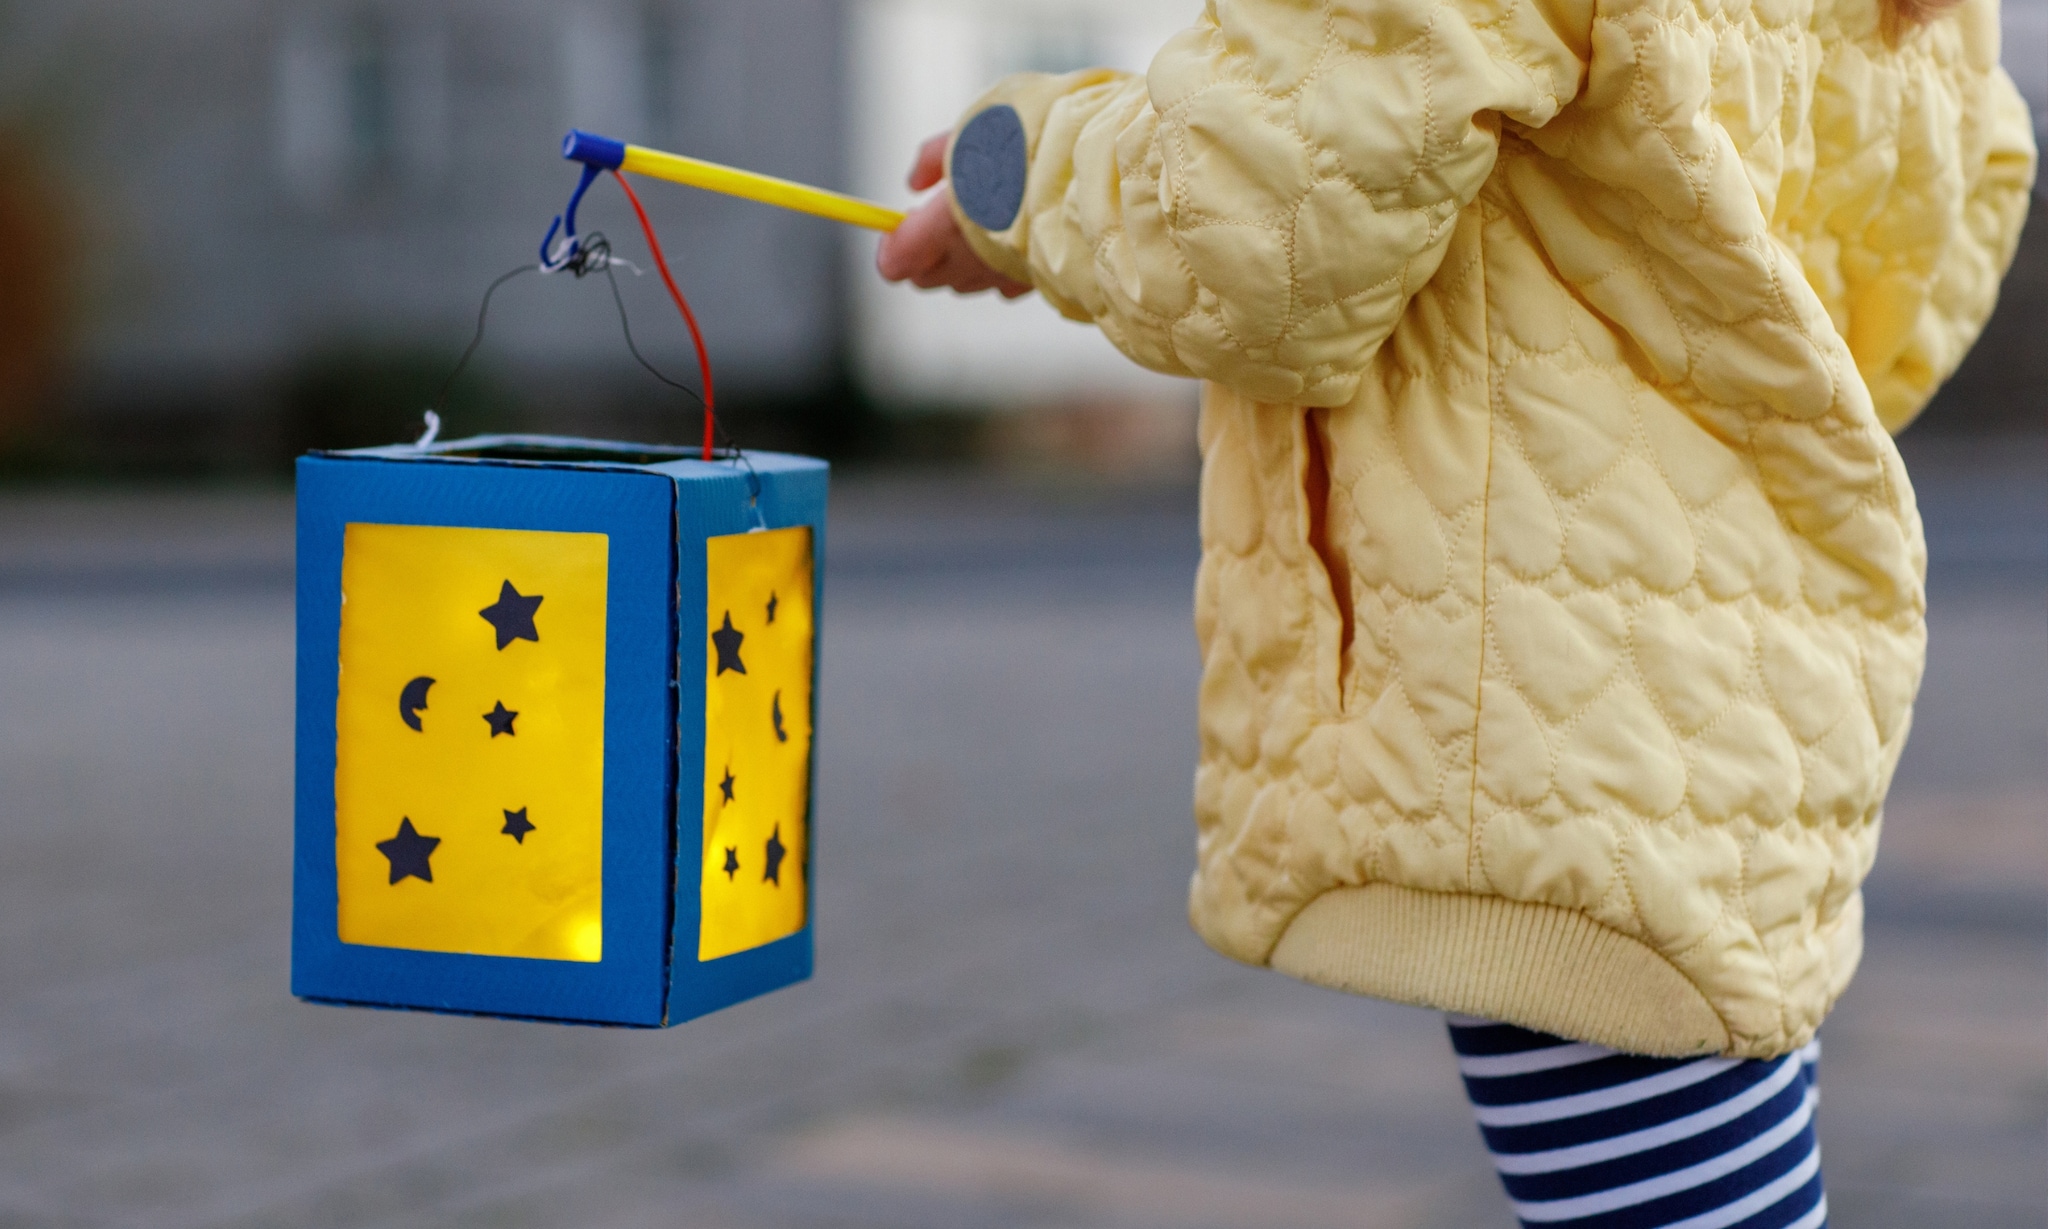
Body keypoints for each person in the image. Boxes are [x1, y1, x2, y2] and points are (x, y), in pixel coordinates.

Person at [877, 0, 2037, 1223]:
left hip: (1554, 714)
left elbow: (1252, 234)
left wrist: (1022, 174)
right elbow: (1955, 227)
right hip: (1746, 684)